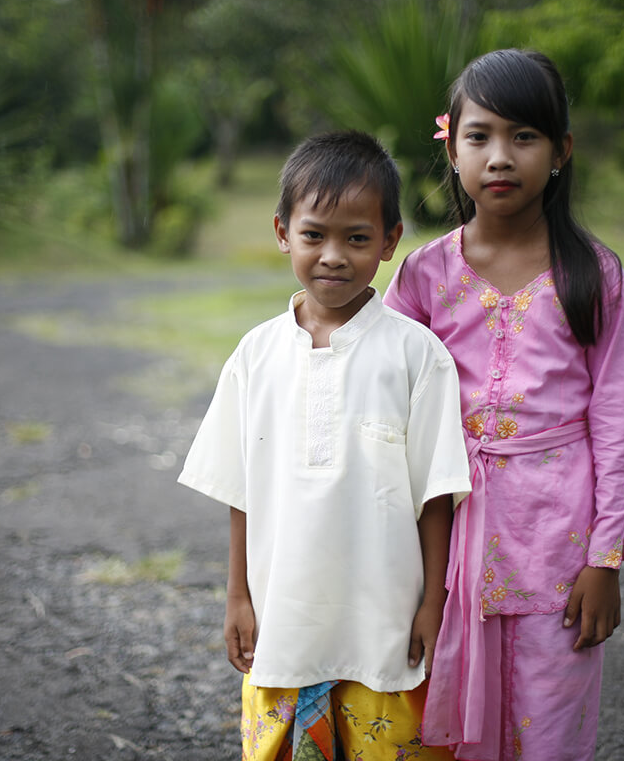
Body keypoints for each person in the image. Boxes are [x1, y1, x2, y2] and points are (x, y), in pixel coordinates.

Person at [384, 49, 624, 761]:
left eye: (524, 137)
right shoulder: (422, 277)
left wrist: (606, 559)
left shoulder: (594, 276)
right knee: (443, 711)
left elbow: (617, 426)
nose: (501, 157)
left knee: (549, 720)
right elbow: (380, 401)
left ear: (560, 151)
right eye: (481, 136)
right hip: (447, 539)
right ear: (452, 147)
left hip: (557, 546)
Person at [179, 130, 472, 760]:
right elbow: (240, 489)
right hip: (285, 620)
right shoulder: (256, 355)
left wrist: (432, 601)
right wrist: (237, 595)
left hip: (385, 623)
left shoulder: (416, 356)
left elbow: (435, 495)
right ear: (283, 231)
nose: (333, 255)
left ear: (390, 241)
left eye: (357, 238)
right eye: (315, 235)